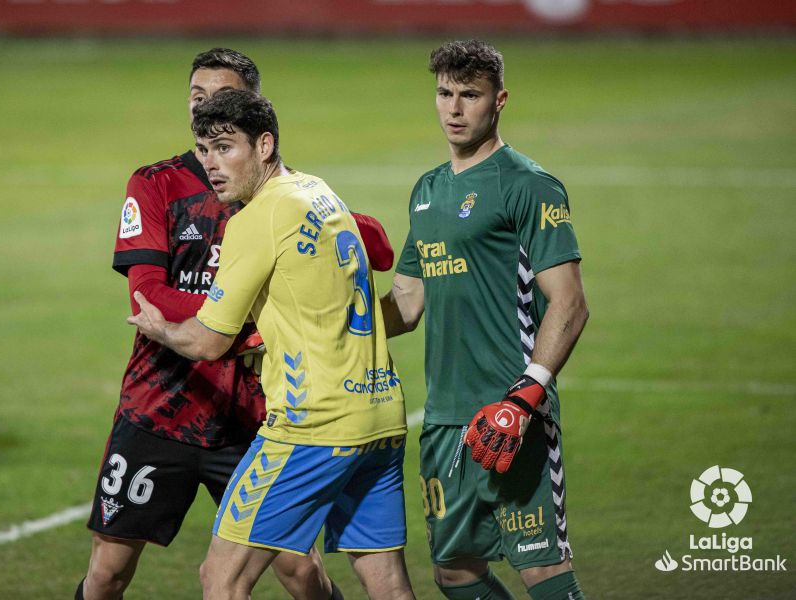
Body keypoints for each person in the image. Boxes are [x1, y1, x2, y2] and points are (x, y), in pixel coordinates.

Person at [79, 48, 393, 600]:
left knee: (299, 569)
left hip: (257, 412)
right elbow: (147, 296)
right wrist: (248, 333)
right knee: (108, 571)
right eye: (196, 98)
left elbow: (374, 246)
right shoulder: (157, 184)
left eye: (220, 100)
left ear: (255, 116)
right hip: (162, 407)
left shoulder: (276, 193)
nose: (204, 107)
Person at [380, 40, 589, 600]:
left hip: (509, 415)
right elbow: (406, 303)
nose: (454, 108)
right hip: (445, 419)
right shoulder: (427, 191)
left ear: (499, 101)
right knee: (456, 571)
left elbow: (569, 303)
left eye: (469, 95)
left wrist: (525, 397)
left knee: (542, 568)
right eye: (445, 94)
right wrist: (325, 318)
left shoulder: (527, 185)